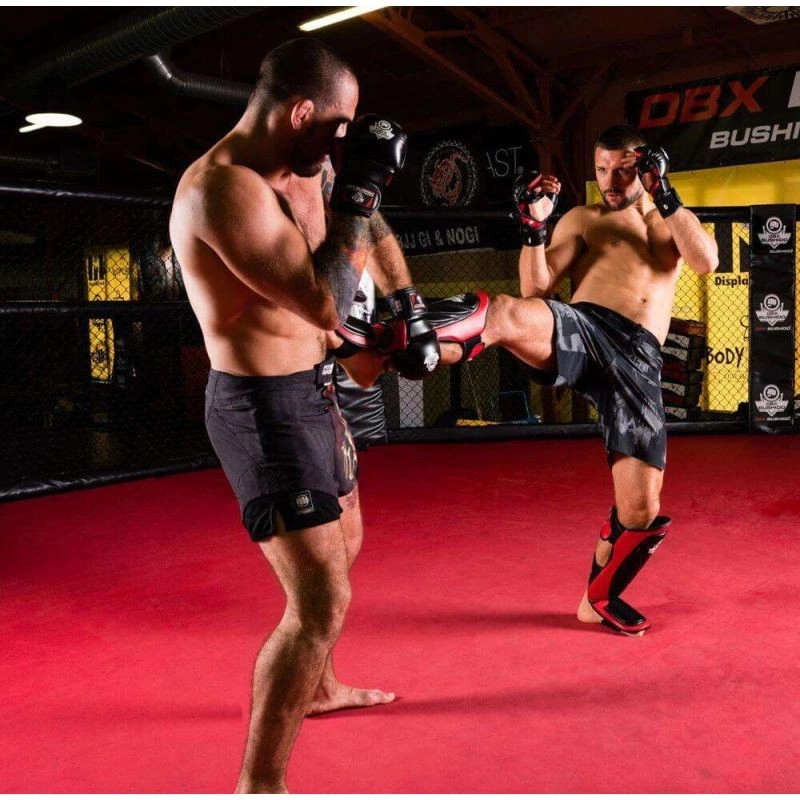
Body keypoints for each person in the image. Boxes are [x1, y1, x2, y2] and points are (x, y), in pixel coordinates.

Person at [169, 38, 438, 793]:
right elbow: (320, 302)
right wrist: (361, 187)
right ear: (299, 112)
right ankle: (260, 784)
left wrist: (408, 306)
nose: (344, 140)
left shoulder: (311, 164)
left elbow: (371, 226)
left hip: (317, 389)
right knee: (322, 601)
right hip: (261, 407)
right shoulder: (222, 190)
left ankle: (319, 688)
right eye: (337, 125)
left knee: (346, 546)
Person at [335, 124, 719, 636]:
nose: (609, 180)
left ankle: (598, 598)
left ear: (646, 164)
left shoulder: (673, 220)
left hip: (639, 360)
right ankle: (384, 340)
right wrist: (534, 228)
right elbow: (536, 287)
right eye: (601, 169)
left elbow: (706, 261)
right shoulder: (584, 219)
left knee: (641, 510)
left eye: (622, 169)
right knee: (507, 313)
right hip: (587, 328)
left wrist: (664, 192)